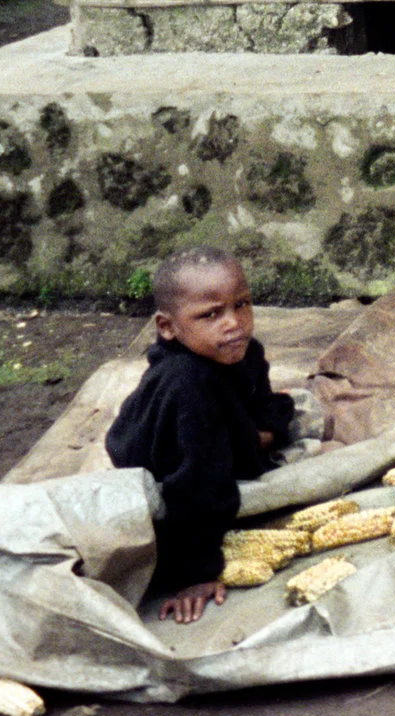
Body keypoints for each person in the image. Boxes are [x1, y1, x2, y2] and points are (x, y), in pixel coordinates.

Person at [103, 248, 295, 623]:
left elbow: (261, 400)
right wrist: (197, 575)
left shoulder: (243, 351)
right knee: (205, 481)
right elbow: (194, 487)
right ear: (168, 327)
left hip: (212, 437)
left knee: (283, 412)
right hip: (170, 463)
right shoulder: (186, 383)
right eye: (211, 314)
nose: (234, 323)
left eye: (242, 305)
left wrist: (268, 430)